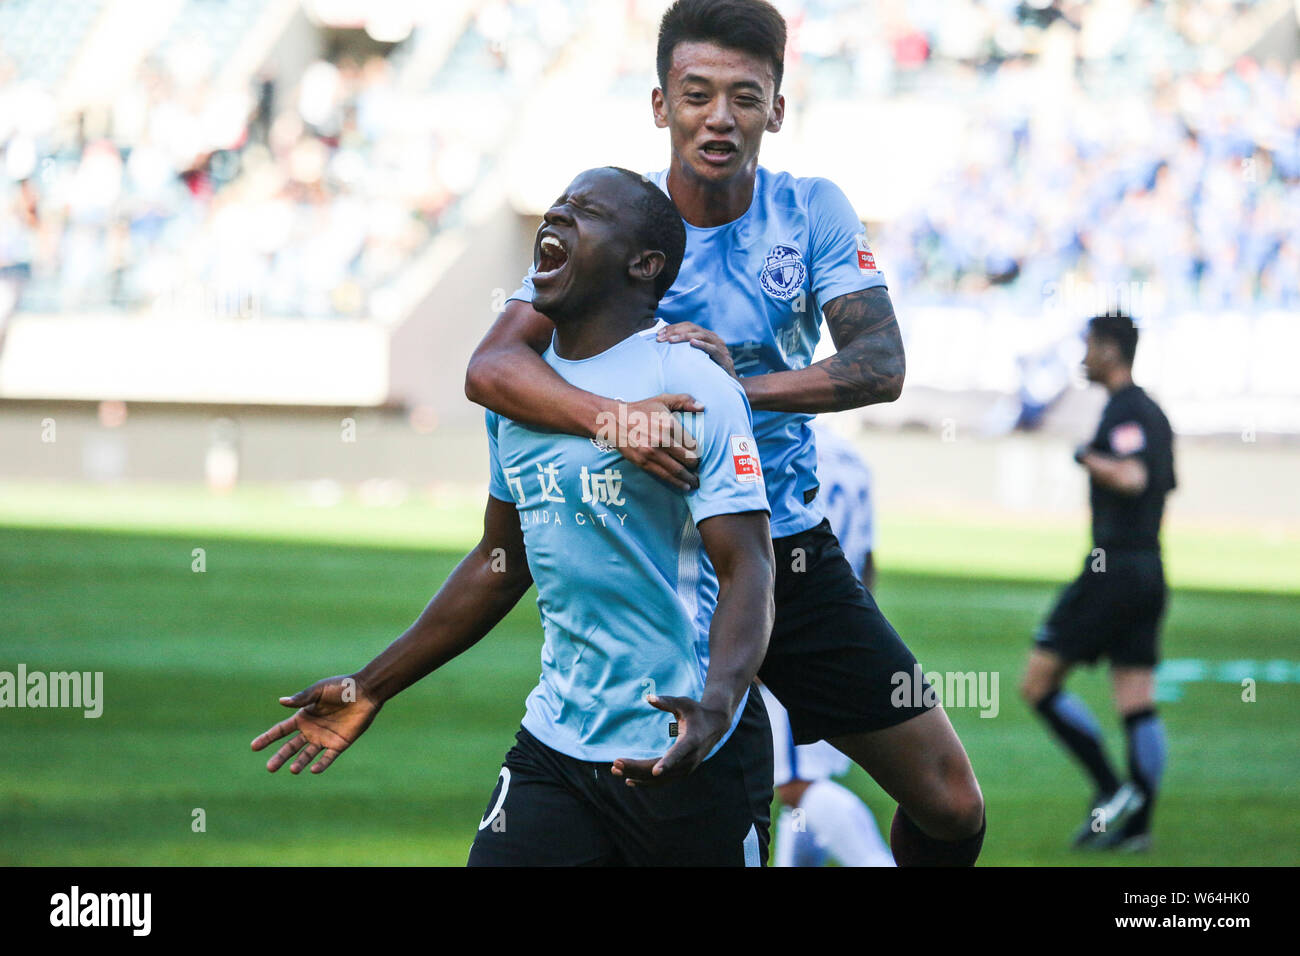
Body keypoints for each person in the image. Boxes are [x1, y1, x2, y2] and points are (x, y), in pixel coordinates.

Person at [465, 0, 985, 865]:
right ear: (661, 103)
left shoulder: (811, 210)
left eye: (745, 97)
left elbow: (879, 362)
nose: (720, 117)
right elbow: (493, 368)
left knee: (951, 805)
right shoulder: (616, 225)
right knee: (634, 794)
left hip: (784, 549)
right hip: (658, 568)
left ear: (776, 109)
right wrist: (617, 419)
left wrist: (732, 388)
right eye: (696, 92)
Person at [252, 166, 777, 866]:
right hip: (556, 748)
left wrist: (716, 706)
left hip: (683, 748)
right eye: (555, 206)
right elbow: (499, 566)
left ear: (643, 264)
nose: (555, 219)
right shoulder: (524, 395)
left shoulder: (687, 383)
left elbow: (750, 568)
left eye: (584, 211)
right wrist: (369, 685)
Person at [1019, 313, 1177, 852]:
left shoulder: (1128, 409)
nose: (1083, 356)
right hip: (1150, 567)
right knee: (1136, 699)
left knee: (1037, 684)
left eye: (1089, 346)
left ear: (1111, 350)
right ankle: (1136, 828)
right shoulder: (1152, 411)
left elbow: (1134, 477)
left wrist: (1086, 455)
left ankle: (1113, 791)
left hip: (1113, 569)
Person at [812, 420, 876, 592]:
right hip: (850, 592)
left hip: (806, 590)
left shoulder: (790, 447)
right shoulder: (853, 454)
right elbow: (867, 548)